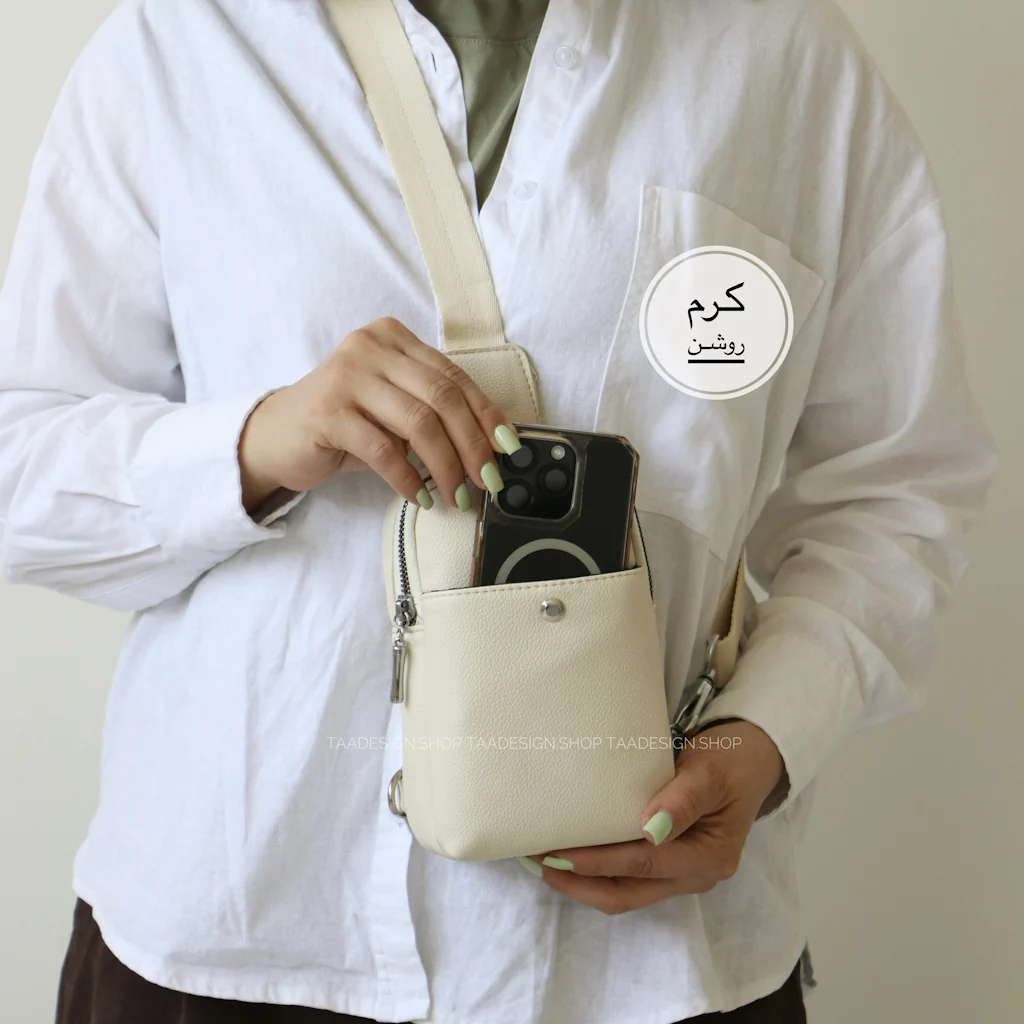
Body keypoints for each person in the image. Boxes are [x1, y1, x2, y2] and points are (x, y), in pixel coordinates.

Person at [0, 0, 997, 1022]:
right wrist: (258, 442)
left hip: (632, 966)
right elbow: (20, 464)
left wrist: (765, 738)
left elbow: (897, 489)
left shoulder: (785, 62)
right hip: (234, 936)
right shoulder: (183, 42)